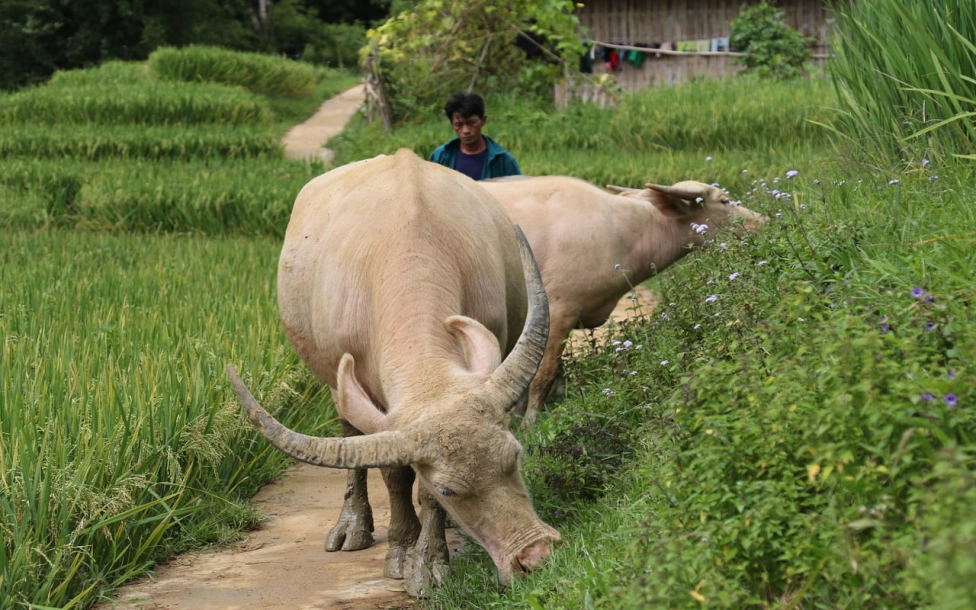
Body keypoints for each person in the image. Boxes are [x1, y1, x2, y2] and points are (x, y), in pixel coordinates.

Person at [429, 92, 521, 181]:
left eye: (471, 123)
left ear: (483, 120)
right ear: (452, 124)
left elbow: (518, 191)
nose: (466, 131)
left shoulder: (503, 160)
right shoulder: (440, 156)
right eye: (458, 124)